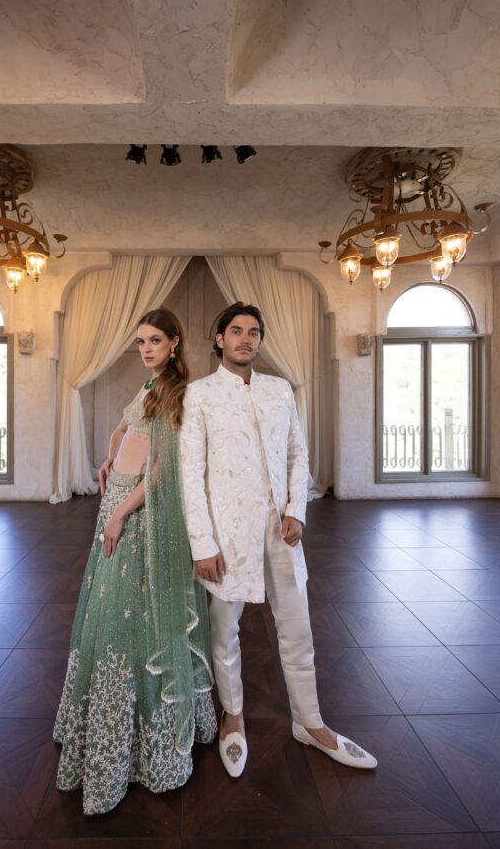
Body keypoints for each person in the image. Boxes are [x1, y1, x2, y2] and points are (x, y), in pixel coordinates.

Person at [179, 302, 376, 777]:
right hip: (227, 535)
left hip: (281, 532)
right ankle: (234, 717)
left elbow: (296, 452)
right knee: (225, 632)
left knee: (298, 628)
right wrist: (202, 543)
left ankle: (310, 723)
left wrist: (297, 510)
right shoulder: (199, 394)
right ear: (219, 339)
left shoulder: (279, 390)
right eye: (236, 331)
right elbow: (191, 472)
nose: (245, 339)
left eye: (253, 332)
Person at [54, 308, 217, 814]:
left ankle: (150, 735)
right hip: (116, 498)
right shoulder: (148, 387)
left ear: (174, 343)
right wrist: (109, 455)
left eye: (154, 341)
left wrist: (120, 513)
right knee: (110, 613)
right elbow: (126, 425)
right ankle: (108, 726)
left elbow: (164, 472)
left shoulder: (177, 394)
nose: (146, 349)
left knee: (138, 616)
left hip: (139, 515)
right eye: (141, 341)